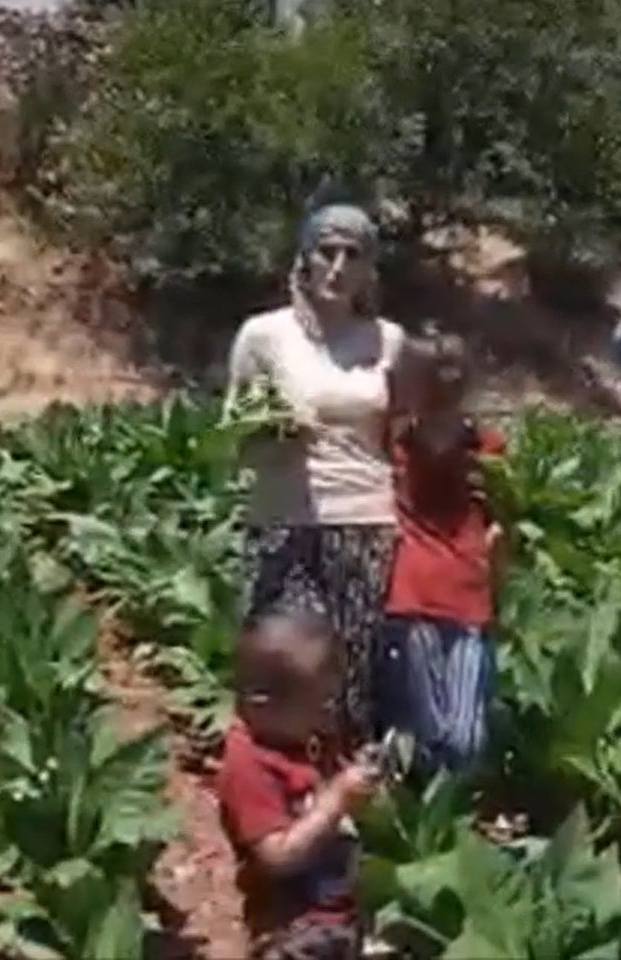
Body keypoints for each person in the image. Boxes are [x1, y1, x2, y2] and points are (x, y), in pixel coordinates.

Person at [226, 200, 406, 753]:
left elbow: (400, 439)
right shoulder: (264, 336)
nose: (338, 266)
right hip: (284, 517)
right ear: (305, 257)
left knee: (352, 666)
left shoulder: (389, 341)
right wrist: (277, 429)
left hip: (365, 518)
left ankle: (344, 780)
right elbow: (236, 430)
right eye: (327, 251)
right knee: (280, 664)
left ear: (370, 268)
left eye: (354, 254)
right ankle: (272, 784)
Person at [377, 330, 507, 779]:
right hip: (417, 597)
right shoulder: (399, 444)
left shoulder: (484, 447)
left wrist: (496, 587)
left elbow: (499, 525)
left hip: (459, 597)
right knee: (437, 730)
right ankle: (420, 794)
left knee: (459, 737)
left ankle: (428, 796)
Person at [217, 611, 382, 960]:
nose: (330, 713)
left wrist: (361, 778)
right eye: (320, 704)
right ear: (263, 705)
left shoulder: (306, 738)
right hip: (291, 930)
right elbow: (277, 857)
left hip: (339, 917)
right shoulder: (248, 764)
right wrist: (337, 799)